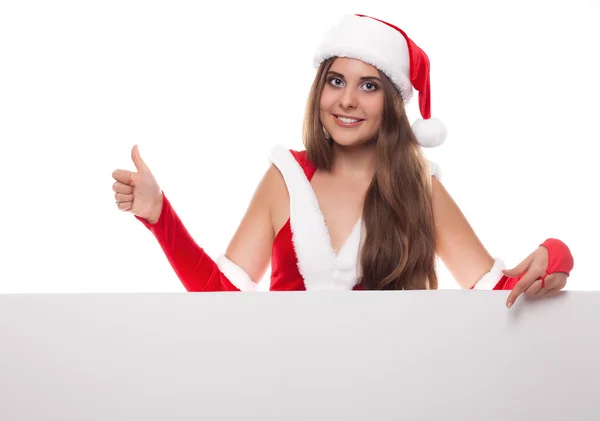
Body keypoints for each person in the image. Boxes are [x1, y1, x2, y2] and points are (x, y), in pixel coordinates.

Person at [111, 14, 574, 308]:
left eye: (369, 86)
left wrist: (555, 254)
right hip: (283, 393)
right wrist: (158, 215)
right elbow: (223, 300)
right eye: (336, 81)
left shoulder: (420, 189)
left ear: (392, 103)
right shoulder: (285, 179)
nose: (347, 100)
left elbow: (498, 293)